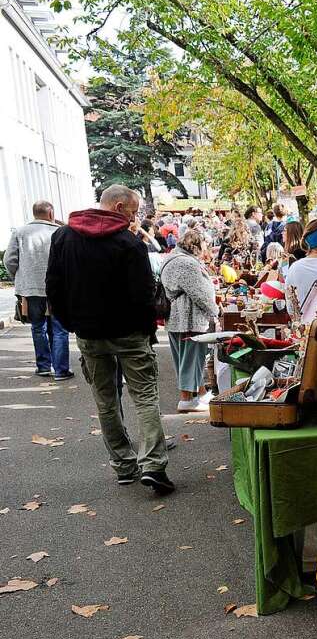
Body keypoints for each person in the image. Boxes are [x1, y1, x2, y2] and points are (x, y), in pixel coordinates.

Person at [46, 185, 174, 496]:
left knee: (106, 401)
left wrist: (71, 323)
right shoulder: (128, 243)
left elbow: (54, 285)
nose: (134, 219)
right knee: (144, 397)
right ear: (118, 207)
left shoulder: (63, 238)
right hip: (129, 332)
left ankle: (124, 465)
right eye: (132, 213)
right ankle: (153, 464)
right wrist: (148, 331)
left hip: (89, 333)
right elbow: (144, 295)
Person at [5, 201, 71, 380]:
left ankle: (43, 366)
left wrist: (20, 277)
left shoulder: (20, 232)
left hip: (31, 288)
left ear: (34, 213)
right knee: (59, 329)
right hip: (57, 288)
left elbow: (9, 260)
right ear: (51, 214)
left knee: (37, 327)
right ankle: (61, 370)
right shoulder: (59, 232)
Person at [160, 229, 218, 413]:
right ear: (196, 245)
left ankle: (199, 394)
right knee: (191, 358)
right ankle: (186, 400)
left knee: (187, 359)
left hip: (178, 316)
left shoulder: (172, 258)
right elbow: (199, 293)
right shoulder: (186, 263)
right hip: (188, 317)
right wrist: (215, 311)